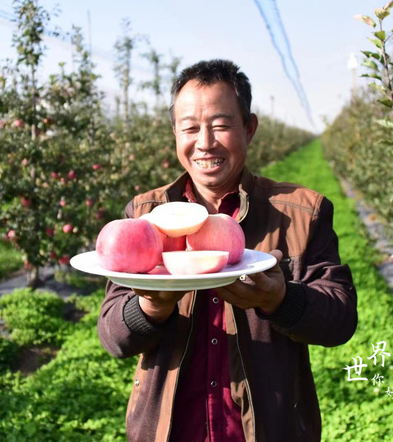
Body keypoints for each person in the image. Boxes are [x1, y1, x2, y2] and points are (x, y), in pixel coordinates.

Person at [97, 59, 357, 442]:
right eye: (189, 127)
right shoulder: (145, 219)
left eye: (220, 125)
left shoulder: (302, 213)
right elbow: (112, 336)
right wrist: (150, 307)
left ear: (249, 129)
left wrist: (281, 299)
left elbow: (340, 319)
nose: (204, 142)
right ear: (174, 132)